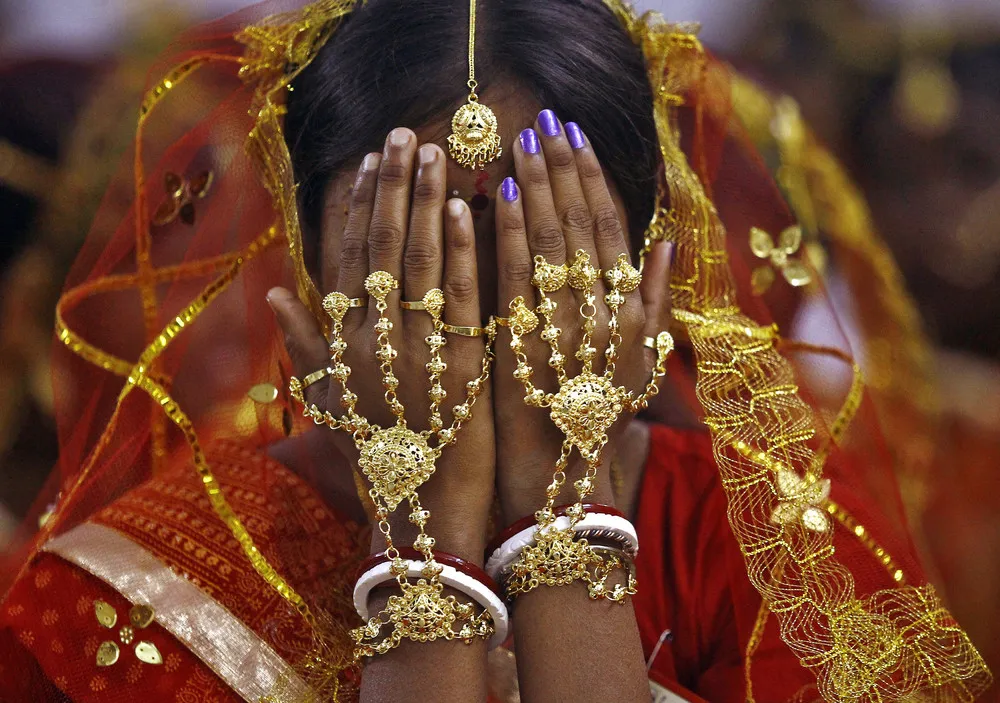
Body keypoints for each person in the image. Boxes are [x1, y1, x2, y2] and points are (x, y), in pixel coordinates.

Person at [0, 0, 990, 701]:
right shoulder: (129, 590)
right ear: (304, 280)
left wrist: (561, 503)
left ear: (647, 279)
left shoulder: (780, 551)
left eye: (541, 244)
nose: (476, 307)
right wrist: (422, 536)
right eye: (414, 247)